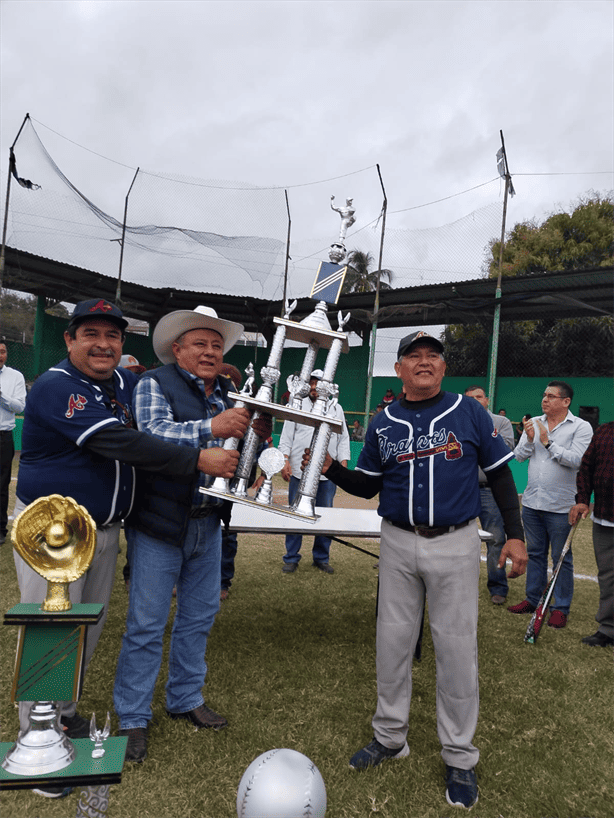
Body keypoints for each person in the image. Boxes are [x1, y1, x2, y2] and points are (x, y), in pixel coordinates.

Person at [13, 299, 240, 798]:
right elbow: (121, 443)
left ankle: (65, 717)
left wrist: (213, 375)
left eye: (113, 336)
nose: (103, 344)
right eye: (90, 334)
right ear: (69, 340)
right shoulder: (57, 386)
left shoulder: (123, 384)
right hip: (55, 530)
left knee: (86, 629)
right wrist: (199, 453)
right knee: (52, 628)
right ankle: (39, 739)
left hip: (107, 526)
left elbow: (175, 392)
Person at [306, 330, 527, 809]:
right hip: (399, 541)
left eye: (433, 356)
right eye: (414, 356)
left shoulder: (469, 412)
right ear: (400, 369)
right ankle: (390, 736)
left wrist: (515, 533)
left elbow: (502, 474)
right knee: (392, 641)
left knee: (456, 649)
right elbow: (366, 486)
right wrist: (327, 468)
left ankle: (460, 756)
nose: (424, 362)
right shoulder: (384, 420)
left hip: (456, 542)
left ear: (443, 368)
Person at [113, 306, 270, 763]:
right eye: (199, 344)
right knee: (146, 624)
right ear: (176, 349)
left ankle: (185, 698)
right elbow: (150, 436)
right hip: (161, 523)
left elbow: (235, 456)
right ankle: (133, 716)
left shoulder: (228, 392)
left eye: (217, 345)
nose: (210, 352)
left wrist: (256, 436)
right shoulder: (153, 384)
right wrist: (212, 428)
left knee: (198, 618)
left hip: (207, 523)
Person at [509, 381, 593, 628]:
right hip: (533, 501)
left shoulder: (581, 427)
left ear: (566, 401)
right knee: (535, 554)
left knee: (561, 557)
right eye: (544, 395)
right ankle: (532, 599)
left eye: (551, 396)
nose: (545, 400)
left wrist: (547, 443)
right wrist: (530, 439)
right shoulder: (534, 423)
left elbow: (578, 460)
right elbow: (519, 456)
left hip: (562, 505)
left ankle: (560, 607)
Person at [278, 369, 351, 574]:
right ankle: (291, 557)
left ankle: (321, 557)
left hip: (327, 475)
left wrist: (343, 465)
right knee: (294, 514)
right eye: (311, 383)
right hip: (300, 473)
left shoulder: (337, 409)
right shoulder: (297, 404)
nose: (313, 388)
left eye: (317, 384)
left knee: (325, 515)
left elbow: (343, 438)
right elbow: (286, 436)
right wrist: (285, 461)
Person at [464, 385, 515, 604]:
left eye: (478, 397)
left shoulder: (501, 423)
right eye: (470, 398)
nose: (475, 401)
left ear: (487, 400)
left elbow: (504, 451)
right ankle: (459, 586)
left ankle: (498, 587)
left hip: (488, 489)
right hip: (462, 489)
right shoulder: (457, 421)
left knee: (495, 539)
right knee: (457, 538)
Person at [569, 422, 613, 647]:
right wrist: (583, 500)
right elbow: (586, 467)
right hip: (605, 518)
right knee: (608, 578)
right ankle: (608, 629)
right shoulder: (604, 431)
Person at [0, 342, 27, 545]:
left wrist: (1, 396)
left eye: (2, 351)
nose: (0, 355)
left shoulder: (15, 376)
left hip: (3, 437)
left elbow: (19, 406)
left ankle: (0, 530)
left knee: (1, 485)